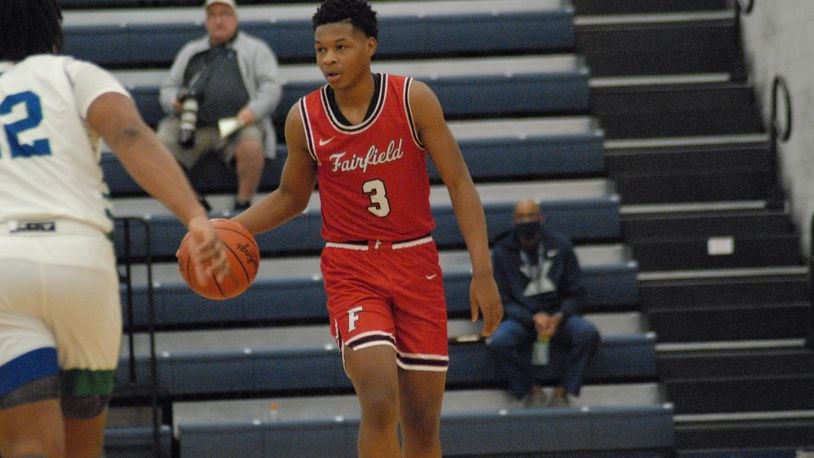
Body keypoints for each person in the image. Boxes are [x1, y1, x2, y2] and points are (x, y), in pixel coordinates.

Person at [232, 1, 503, 456]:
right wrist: (226, 228)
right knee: (379, 401)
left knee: (421, 425)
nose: (329, 59)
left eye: (341, 47)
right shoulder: (305, 118)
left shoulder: (412, 99)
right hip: (352, 268)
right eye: (320, 50)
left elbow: (459, 182)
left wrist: (483, 271)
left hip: (415, 262)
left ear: (369, 47)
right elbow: (291, 198)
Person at [0, 1, 230, 456]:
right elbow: (129, 134)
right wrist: (194, 216)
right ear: (54, 35)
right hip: (81, 263)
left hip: (7, 262)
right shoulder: (73, 73)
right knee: (83, 449)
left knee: (29, 445)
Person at [157, 0, 284, 212]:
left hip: (239, 123)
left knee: (252, 146)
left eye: (225, 14)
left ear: (235, 18)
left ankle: (243, 203)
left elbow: (271, 88)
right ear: (206, 21)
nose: (219, 20)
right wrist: (174, 101)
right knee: (157, 147)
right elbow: (168, 87)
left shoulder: (256, 49)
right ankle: (194, 202)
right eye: (213, 15)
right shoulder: (191, 51)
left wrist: (252, 112)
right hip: (195, 124)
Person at [487, 199, 600, 407]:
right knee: (500, 342)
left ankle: (563, 390)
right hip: (524, 319)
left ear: (541, 218)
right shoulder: (502, 252)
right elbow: (501, 300)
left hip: (558, 317)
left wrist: (558, 316)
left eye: (531, 216)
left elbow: (577, 293)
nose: (526, 221)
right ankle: (531, 389)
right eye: (521, 217)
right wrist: (531, 318)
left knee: (587, 334)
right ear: (513, 222)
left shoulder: (561, 246)